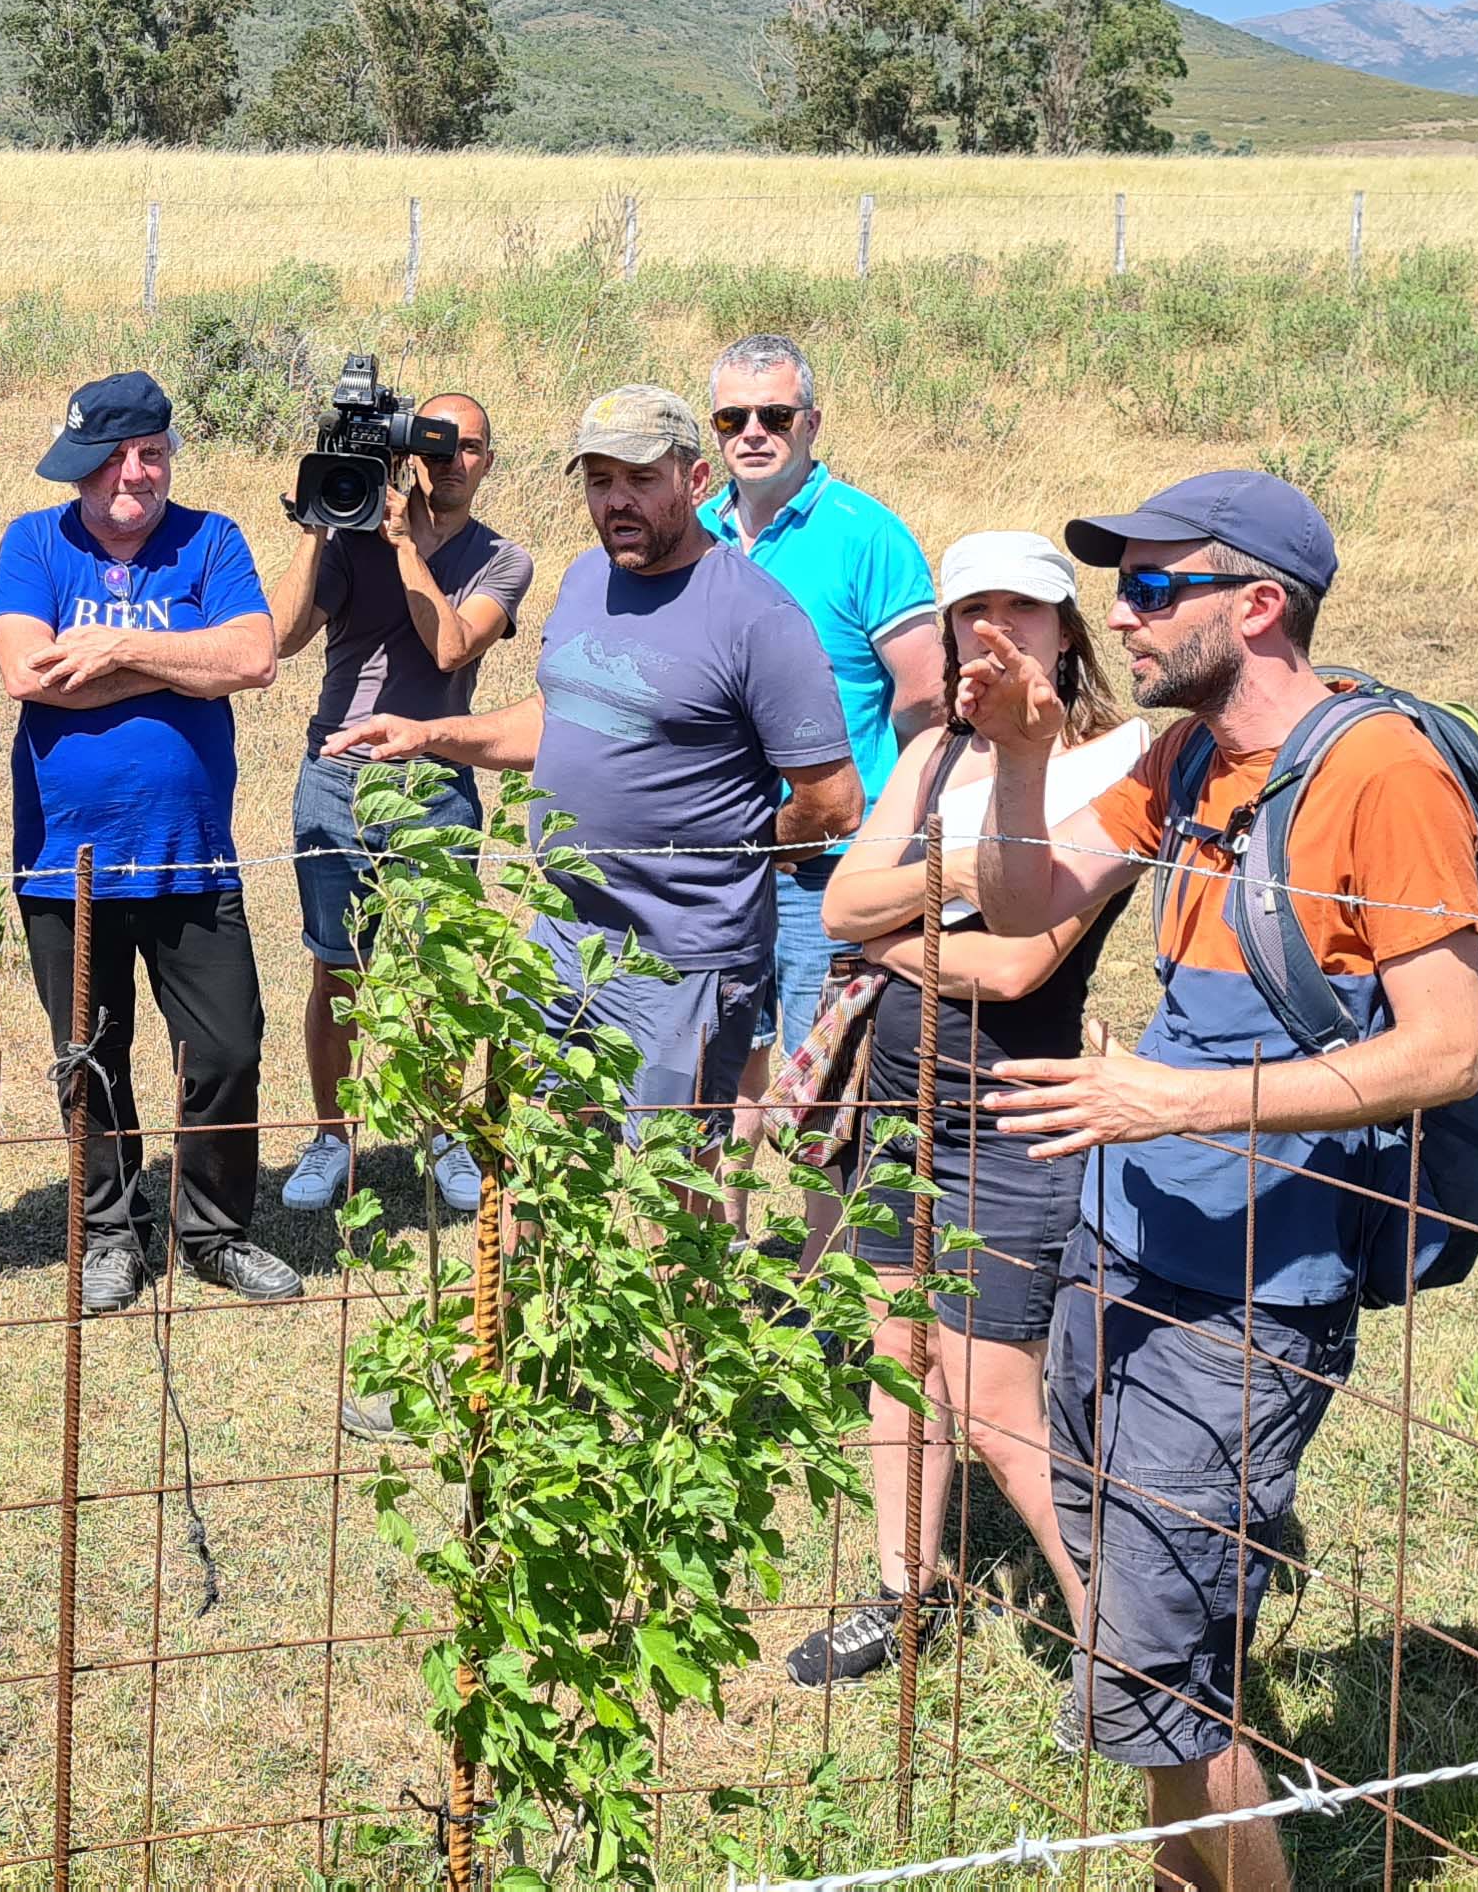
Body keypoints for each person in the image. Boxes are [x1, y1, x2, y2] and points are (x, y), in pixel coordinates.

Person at [962, 471, 1478, 1892]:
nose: (1120, 620)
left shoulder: (1381, 776)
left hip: (1252, 1299)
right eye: (1119, 590)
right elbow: (1026, 912)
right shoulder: (1183, 760)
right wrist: (1018, 755)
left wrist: (1169, 1099)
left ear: (1259, 606)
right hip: (1120, 1252)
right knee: (1148, 1660)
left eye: (1150, 589)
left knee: (1154, 1671)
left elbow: (1446, 1049)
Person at [786, 531, 1150, 1688]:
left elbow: (1018, 969)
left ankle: (1124, 1648)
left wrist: (896, 923)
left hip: (1011, 1117)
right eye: (971, 611)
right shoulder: (936, 750)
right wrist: (954, 878)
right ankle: (904, 1589)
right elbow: (843, 902)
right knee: (899, 1349)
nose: (995, 631)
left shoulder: (1112, 768)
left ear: (1065, 631)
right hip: (901, 1106)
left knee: (995, 1396)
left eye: (1022, 612)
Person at [329, 386, 863, 1127]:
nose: (617, 500)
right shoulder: (586, 579)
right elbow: (557, 718)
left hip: (682, 961)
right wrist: (432, 735)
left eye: (642, 479)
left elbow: (833, 802)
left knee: (667, 1190)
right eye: (600, 479)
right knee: (534, 1161)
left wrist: (736, 857)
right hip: (558, 937)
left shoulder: (758, 617)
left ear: (697, 481)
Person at [0, 370, 296, 1314]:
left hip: (190, 849)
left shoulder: (214, 539)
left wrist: (117, 652)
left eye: (152, 455)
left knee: (227, 1047)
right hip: (65, 858)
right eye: (116, 460)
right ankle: (112, 1233)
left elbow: (252, 657)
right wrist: (184, 668)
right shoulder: (33, 542)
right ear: (80, 468)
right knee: (91, 1052)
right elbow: (26, 671)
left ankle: (214, 1232)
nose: (137, 476)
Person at [270, 391, 531, 1218]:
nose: (452, 461)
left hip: (434, 774)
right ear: (409, 450)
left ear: (488, 462)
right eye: (437, 445)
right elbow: (279, 638)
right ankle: (333, 1136)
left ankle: (444, 1132)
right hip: (337, 772)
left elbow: (452, 643)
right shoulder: (350, 533)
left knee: (438, 973)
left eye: (470, 448)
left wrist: (405, 549)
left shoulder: (503, 559)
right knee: (337, 968)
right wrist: (319, 525)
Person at [695, 336, 941, 1056]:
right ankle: (731, 1178)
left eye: (775, 415)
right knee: (722, 1063)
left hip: (829, 858)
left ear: (812, 423)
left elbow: (924, 695)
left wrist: (891, 829)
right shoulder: (696, 534)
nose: (752, 434)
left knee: (822, 1078)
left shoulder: (868, 536)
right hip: (722, 850)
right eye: (731, 419)